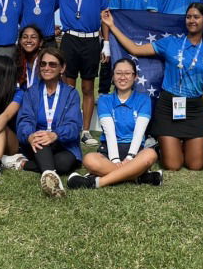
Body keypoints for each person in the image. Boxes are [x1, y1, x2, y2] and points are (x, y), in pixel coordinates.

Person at [103, 3, 203, 171]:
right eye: (189, 17)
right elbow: (135, 49)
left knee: (196, 165)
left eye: (196, 17)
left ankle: (182, 142)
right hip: (169, 106)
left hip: (194, 108)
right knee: (172, 165)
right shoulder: (171, 43)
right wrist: (112, 25)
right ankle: (165, 143)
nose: (192, 20)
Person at [67, 57, 162, 189]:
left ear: (135, 77)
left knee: (151, 154)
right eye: (118, 73)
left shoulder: (144, 100)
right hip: (109, 151)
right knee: (89, 159)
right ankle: (138, 176)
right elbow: (110, 133)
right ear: (112, 76)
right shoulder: (104, 100)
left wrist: (130, 157)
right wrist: (115, 160)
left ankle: (97, 182)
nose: (123, 77)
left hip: (135, 152)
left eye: (128, 73)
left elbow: (139, 133)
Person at [15, 45, 83, 196]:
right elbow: (24, 120)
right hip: (38, 144)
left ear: (62, 68)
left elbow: (74, 125)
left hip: (63, 144)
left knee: (64, 165)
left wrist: (55, 135)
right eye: (43, 64)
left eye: (52, 64)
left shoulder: (71, 93)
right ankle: (52, 180)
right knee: (40, 138)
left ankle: (24, 164)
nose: (47, 68)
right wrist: (30, 136)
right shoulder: (31, 92)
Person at [58, 0, 109, 144]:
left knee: (88, 87)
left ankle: (85, 131)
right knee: (69, 87)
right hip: (70, 39)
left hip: (91, 40)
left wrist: (106, 43)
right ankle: (70, 127)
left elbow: (105, 16)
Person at [14, 25, 44, 89]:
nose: (29, 40)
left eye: (33, 37)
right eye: (25, 37)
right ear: (20, 41)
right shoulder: (15, 62)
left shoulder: (47, 63)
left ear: (40, 42)